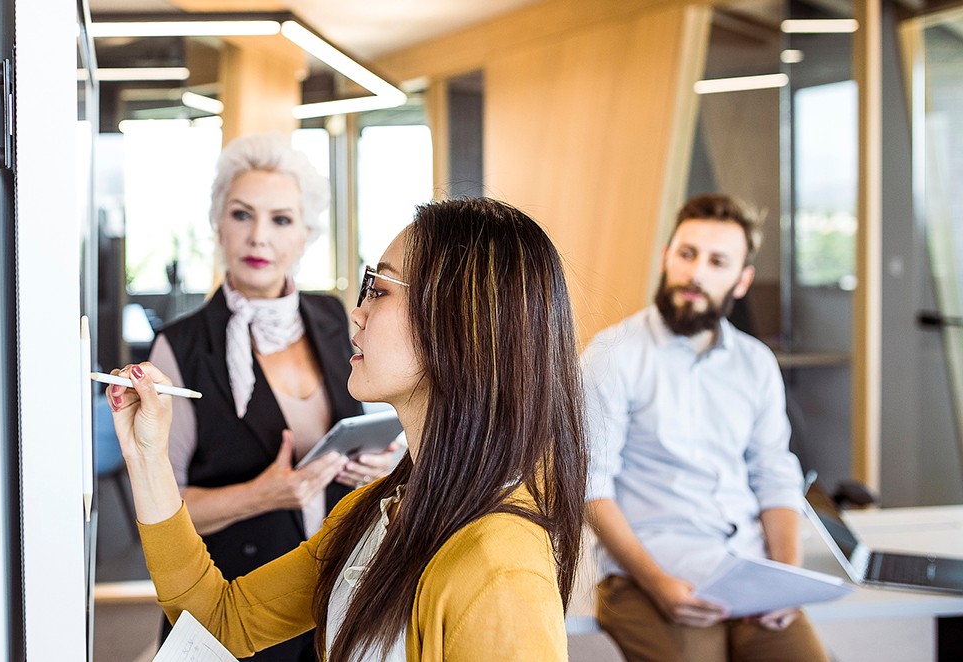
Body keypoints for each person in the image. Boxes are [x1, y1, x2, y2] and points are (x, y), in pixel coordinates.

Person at [106, 197, 588, 661]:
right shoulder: (373, 512)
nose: (356, 312)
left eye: (379, 291)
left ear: (459, 325)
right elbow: (220, 620)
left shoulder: (500, 568)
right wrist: (146, 455)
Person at [146, 133, 401, 661]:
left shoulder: (336, 318)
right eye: (242, 215)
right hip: (231, 600)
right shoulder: (182, 346)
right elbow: (160, 504)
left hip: (333, 593)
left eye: (281, 220)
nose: (259, 236)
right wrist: (263, 495)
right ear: (218, 225)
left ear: (306, 234)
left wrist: (379, 464)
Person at [582, 193, 828, 661]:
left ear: (741, 281)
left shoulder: (755, 363)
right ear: (666, 257)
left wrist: (786, 579)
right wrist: (657, 584)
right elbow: (590, 487)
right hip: (649, 574)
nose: (695, 274)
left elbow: (775, 476)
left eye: (717, 262)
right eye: (687, 254)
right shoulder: (612, 355)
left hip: (748, 569)